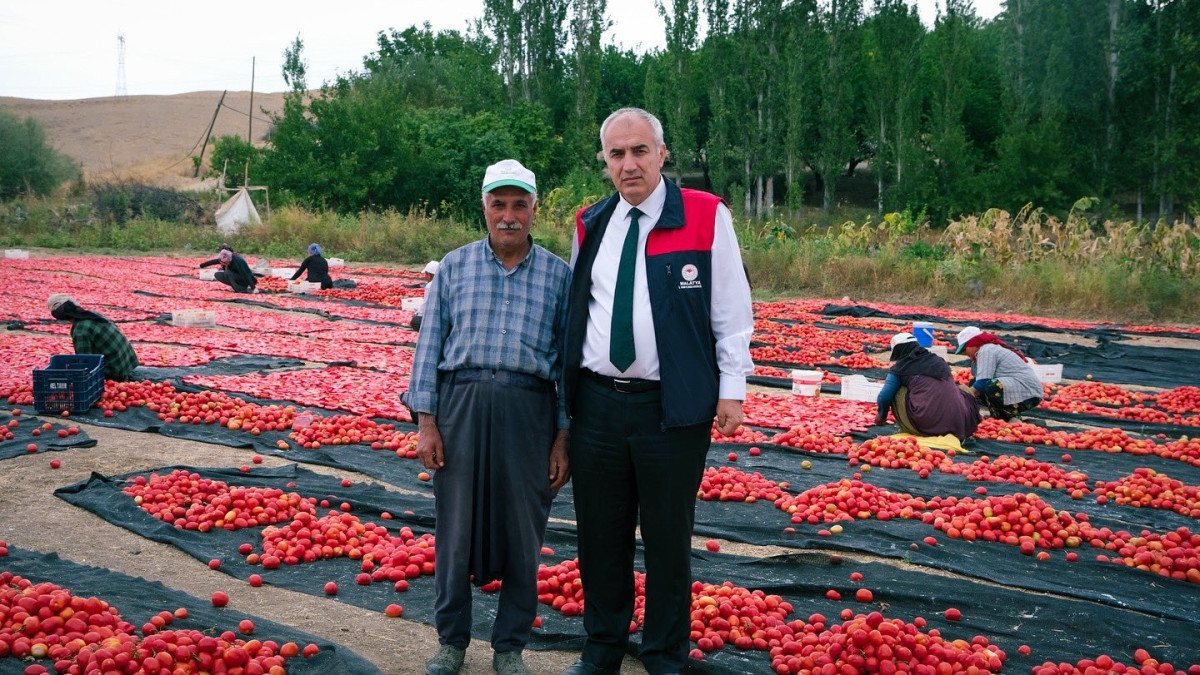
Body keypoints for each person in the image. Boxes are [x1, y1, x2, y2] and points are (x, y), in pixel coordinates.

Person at [560, 108, 754, 675]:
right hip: (597, 403)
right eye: (616, 154)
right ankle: (602, 647)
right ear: (605, 161)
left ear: (663, 155)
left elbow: (732, 311)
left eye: (639, 151)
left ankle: (664, 652)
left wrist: (732, 389)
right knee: (601, 535)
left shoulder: (704, 216)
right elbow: (579, 310)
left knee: (669, 538)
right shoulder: (590, 222)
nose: (629, 164)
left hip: (670, 409)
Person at [407, 159, 571, 675]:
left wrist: (563, 436)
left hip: (529, 409)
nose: (508, 216)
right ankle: (452, 641)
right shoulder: (454, 267)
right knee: (454, 527)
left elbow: (567, 362)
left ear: (534, 210)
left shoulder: (559, 275)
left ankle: (509, 647)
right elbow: (429, 345)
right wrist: (426, 421)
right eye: (498, 204)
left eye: (518, 205)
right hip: (462, 405)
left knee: (525, 529)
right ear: (484, 208)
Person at [875, 332, 981, 442]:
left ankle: (908, 428)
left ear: (898, 351)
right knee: (962, 389)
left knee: (897, 390)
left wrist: (882, 415)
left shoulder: (900, 369)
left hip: (926, 424)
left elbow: (884, 397)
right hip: (959, 424)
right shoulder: (939, 361)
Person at [955, 325, 1043, 420]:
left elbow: (982, 383)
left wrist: (961, 400)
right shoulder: (983, 352)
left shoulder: (986, 351)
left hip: (1028, 392)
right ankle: (1003, 418)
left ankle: (1006, 417)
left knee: (990, 386)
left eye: (964, 350)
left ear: (973, 343)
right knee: (976, 383)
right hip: (1019, 389)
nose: (964, 353)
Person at [47, 294, 140, 381]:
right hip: (128, 362)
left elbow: (85, 362)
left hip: (116, 371)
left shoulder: (80, 330)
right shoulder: (92, 314)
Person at [410, 260, 440, 332]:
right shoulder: (445, 282)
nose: (425, 277)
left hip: (437, 317)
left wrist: (417, 314)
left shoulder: (430, 285)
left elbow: (425, 304)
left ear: (429, 274)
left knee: (416, 322)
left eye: (426, 274)